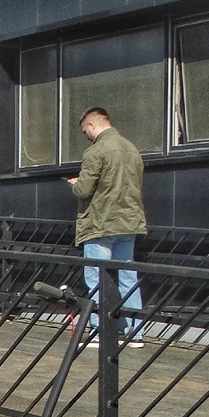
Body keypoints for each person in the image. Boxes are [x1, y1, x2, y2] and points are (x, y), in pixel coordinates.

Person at [67, 107, 146, 348]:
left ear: (92, 125)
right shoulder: (132, 149)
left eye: (85, 131)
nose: (86, 136)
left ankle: (100, 332)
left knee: (97, 279)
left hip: (101, 223)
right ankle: (134, 333)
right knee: (128, 277)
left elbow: (84, 190)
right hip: (129, 222)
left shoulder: (96, 150)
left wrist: (75, 184)